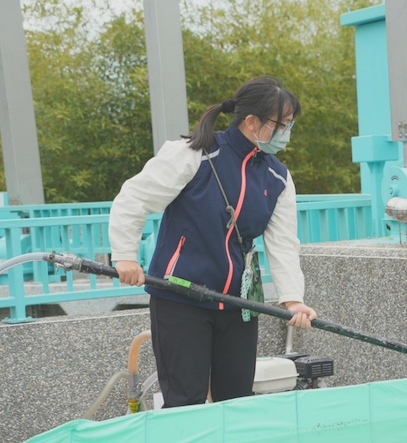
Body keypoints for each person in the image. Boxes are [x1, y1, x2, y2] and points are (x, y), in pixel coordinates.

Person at [109, 76, 317, 407]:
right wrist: (125, 256)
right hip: (180, 298)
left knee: (236, 401)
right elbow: (133, 199)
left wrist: (293, 300)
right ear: (252, 122)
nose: (286, 133)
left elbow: (283, 244)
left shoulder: (278, 177)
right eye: (282, 124)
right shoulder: (193, 154)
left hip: (238, 305)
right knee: (184, 401)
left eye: (290, 125)